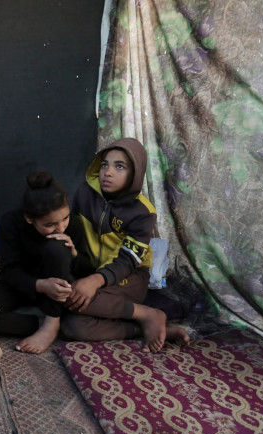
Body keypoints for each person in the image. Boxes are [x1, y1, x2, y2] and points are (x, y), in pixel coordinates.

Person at [62, 138, 190, 352]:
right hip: (90, 269)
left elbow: (128, 259)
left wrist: (95, 280)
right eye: (104, 164)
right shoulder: (85, 193)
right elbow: (73, 231)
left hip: (129, 275)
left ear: (135, 173)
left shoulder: (142, 212)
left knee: (69, 297)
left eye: (119, 166)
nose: (108, 172)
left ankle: (149, 314)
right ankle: (148, 322)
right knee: (71, 325)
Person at [0, 171, 78, 354]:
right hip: (25, 284)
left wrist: (74, 253)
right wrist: (41, 285)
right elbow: (11, 270)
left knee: (58, 246)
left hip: (60, 290)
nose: (60, 227)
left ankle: (52, 323)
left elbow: (87, 268)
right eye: (49, 225)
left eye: (64, 219)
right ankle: (38, 323)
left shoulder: (72, 222)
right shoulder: (11, 222)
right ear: (29, 218)